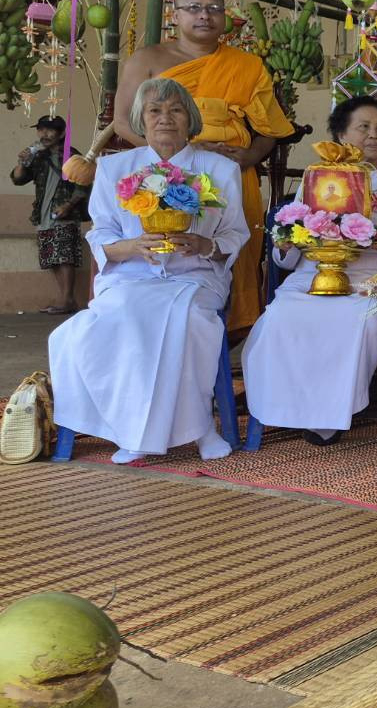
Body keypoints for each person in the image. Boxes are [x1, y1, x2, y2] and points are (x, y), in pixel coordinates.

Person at [48, 78, 248, 463]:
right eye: (155, 111)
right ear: (141, 119)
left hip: (196, 275)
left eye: (175, 110)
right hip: (131, 275)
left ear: (190, 119)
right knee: (121, 317)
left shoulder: (219, 168)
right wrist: (129, 247)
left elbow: (235, 232)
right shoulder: (114, 168)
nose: (165, 119)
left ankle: (195, 426)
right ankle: (140, 428)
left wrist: (206, 245)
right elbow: (101, 231)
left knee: (188, 320)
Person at [242, 97, 377, 444]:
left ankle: (327, 417)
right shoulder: (316, 178)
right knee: (280, 318)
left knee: (360, 322)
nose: (374, 135)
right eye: (363, 127)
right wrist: (287, 243)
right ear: (342, 135)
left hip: (375, 283)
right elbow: (287, 256)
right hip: (310, 278)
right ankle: (286, 408)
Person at [112, 0, 294, 334]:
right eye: (194, 8)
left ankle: (226, 337)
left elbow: (271, 128)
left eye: (214, 9)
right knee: (168, 256)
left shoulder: (246, 64)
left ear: (225, 17)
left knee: (232, 256)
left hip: (231, 176)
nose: (205, 16)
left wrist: (249, 156)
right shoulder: (148, 59)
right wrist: (176, 159)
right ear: (175, 15)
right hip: (162, 178)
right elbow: (123, 121)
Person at [10, 115, 89, 314]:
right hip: (43, 215)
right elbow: (18, 179)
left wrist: (68, 206)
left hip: (64, 214)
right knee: (52, 259)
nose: (44, 134)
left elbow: (84, 184)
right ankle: (65, 300)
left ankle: (67, 300)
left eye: (50, 129)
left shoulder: (72, 156)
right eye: (41, 129)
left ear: (62, 133)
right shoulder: (38, 156)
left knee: (64, 257)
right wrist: (22, 161)